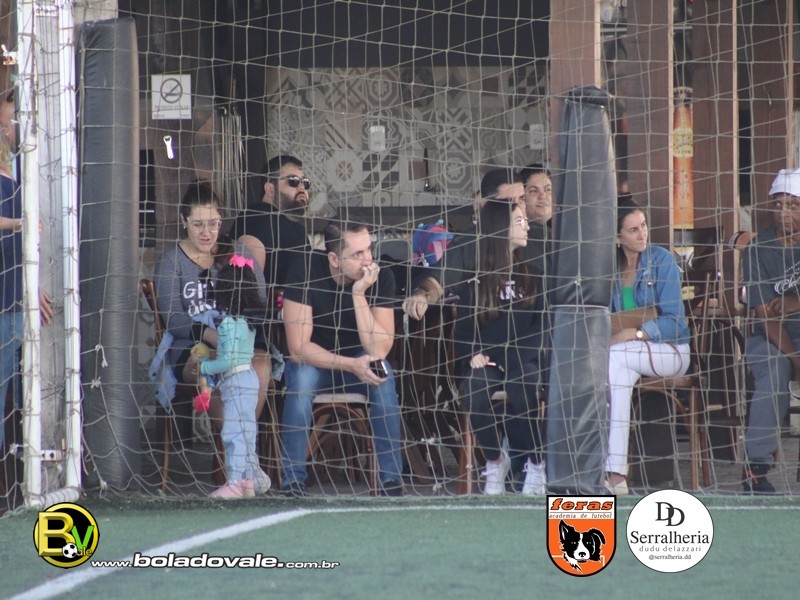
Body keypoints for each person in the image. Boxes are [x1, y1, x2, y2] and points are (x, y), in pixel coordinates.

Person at [153, 181, 272, 492]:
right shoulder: (172, 260)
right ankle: (246, 466)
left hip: (238, 339)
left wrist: (233, 336)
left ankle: (240, 467)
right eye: (198, 225)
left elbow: (258, 303)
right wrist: (211, 336)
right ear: (184, 221)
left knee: (258, 368)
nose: (206, 233)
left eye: (213, 224)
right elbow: (174, 318)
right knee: (220, 373)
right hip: (192, 343)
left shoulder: (238, 254)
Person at [280, 220, 404, 497]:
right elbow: (298, 348)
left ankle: (391, 481)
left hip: (362, 359)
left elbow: (379, 350)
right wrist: (350, 365)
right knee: (300, 380)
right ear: (334, 259)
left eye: (369, 249)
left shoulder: (381, 275)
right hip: (316, 362)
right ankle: (292, 482)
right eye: (357, 254)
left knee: (383, 375)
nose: (368, 259)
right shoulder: (305, 269)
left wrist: (359, 294)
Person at [452, 198, 547, 495]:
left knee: (524, 384)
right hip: (490, 361)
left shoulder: (534, 274)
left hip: (523, 360)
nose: (527, 226)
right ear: (499, 229)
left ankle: (537, 463)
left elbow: (541, 327)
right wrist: (473, 354)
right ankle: (495, 460)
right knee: (473, 389)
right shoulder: (475, 278)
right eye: (519, 221)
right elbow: (463, 329)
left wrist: (511, 357)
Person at [606, 196, 690, 494]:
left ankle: (612, 470)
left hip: (672, 351)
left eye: (643, 226)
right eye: (633, 230)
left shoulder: (661, 260)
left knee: (614, 358)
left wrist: (636, 333)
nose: (642, 234)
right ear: (618, 238)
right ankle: (616, 475)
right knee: (619, 381)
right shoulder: (609, 268)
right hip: (626, 357)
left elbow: (676, 323)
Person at [740, 167, 800, 494]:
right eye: (778, 204)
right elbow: (766, 316)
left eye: (793, 205)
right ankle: (756, 468)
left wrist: (795, 301)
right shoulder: (758, 249)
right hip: (770, 339)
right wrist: (795, 359)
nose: (783, 213)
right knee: (775, 370)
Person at [402, 168, 527, 321]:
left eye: (522, 199)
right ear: (486, 205)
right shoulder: (466, 245)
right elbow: (437, 282)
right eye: (509, 202)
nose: (519, 208)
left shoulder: (540, 239)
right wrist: (422, 296)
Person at [1, 91, 53, 455]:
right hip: (6, 304)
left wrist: (33, 284)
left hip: (17, 301)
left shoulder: (24, 173)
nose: (7, 132)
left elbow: (24, 246)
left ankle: (26, 470)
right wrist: (20, 223)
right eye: (4, 125)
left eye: (10, 124)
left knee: (27, 398)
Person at [196, 257, 266, 498]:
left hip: (236, 381)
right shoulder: (248, 322)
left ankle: (235, 482)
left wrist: (205, 366)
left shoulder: (227, 324)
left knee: (233, 431)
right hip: (249, 377)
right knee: (247, 430)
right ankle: (248, 481)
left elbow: (228, 360)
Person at [229, 154, 311, 289]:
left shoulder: (299, 229)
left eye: (306, 183)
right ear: (270, 189)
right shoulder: (256, 217)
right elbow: (249, 286)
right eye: (293, 181)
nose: (302, 188)